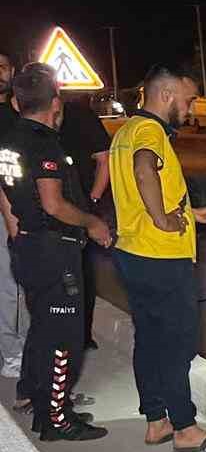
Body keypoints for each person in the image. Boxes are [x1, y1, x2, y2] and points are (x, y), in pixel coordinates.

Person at [108, 68, 206, 452]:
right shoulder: (150, 133)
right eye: (188, 98)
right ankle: (185, 426)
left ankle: (156, 420)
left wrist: (192, 213)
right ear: (166, 93)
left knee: (149, 339)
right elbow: (144, 170)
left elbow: (141, 188)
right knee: (178, 342)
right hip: (162, 256)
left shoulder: (126, 132)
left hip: (134, 252)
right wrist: (163, 220)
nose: (190, 106)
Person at [0, 63, 113, 439]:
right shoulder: (44, 143)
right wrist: (92, 223)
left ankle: (34, 394)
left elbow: (7, 195)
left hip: (29, 245)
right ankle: (57, 418)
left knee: (42, 329)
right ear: (56, 104)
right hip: (54, 250)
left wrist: (17, 236)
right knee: (64, 337)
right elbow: (53, 204)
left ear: (16, 102)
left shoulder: (10, 139)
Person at [57, 90, 112, 349]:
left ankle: (80, 335)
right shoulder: (28, 123)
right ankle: (66, 335)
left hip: (80, 210)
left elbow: (104, 159)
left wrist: (93, 199)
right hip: (49, 213)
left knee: (82, 274)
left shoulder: (80, 116)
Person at [0, 52, 27, 386]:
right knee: (9, 286)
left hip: (13, 208)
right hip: (7, 212)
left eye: (4, 67)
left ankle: (15, 352)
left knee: (12, 285)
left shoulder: (15, 115)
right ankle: (12, 354)